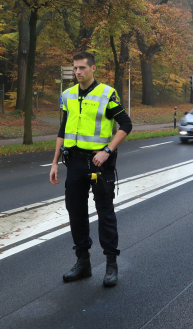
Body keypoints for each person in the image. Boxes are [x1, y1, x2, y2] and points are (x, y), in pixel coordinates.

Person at [50, 51, 132, 288]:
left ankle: (110, 265)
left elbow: (126, 124)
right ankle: (83, 262)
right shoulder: (67, 96)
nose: (77, 72)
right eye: (75, 68)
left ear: (93, 69)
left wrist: (107, 150)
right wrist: (55, 162)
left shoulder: (107, 93)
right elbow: (62, 130)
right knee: (75, 213)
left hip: (99, 163)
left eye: (82, 68)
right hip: (74, 162)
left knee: (105, 212)